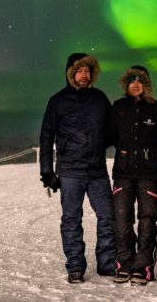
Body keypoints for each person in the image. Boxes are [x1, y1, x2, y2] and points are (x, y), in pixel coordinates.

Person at [39, 52, 116, 283]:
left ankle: (107, 264)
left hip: (97, 170)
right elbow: (46, 136)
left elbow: (113, 128)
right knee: (71, 219)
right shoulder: (58, 101)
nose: (84, 75)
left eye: (87, 71)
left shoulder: (99, 98)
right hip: (70, 171)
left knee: (108, 217)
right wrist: (47, 171)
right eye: (79, 71)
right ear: (71, 73)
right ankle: (75, 266)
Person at [108, 65, 157, 285]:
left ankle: (143, 267)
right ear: (127, 85)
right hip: (123, 174)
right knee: (122, 221)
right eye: (132, 80)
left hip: (150, 175)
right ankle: (123, 264)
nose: (136, 84)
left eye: (140, 81)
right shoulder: (118, 108)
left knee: (147, 222)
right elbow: (109, 136)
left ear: (146, 85)